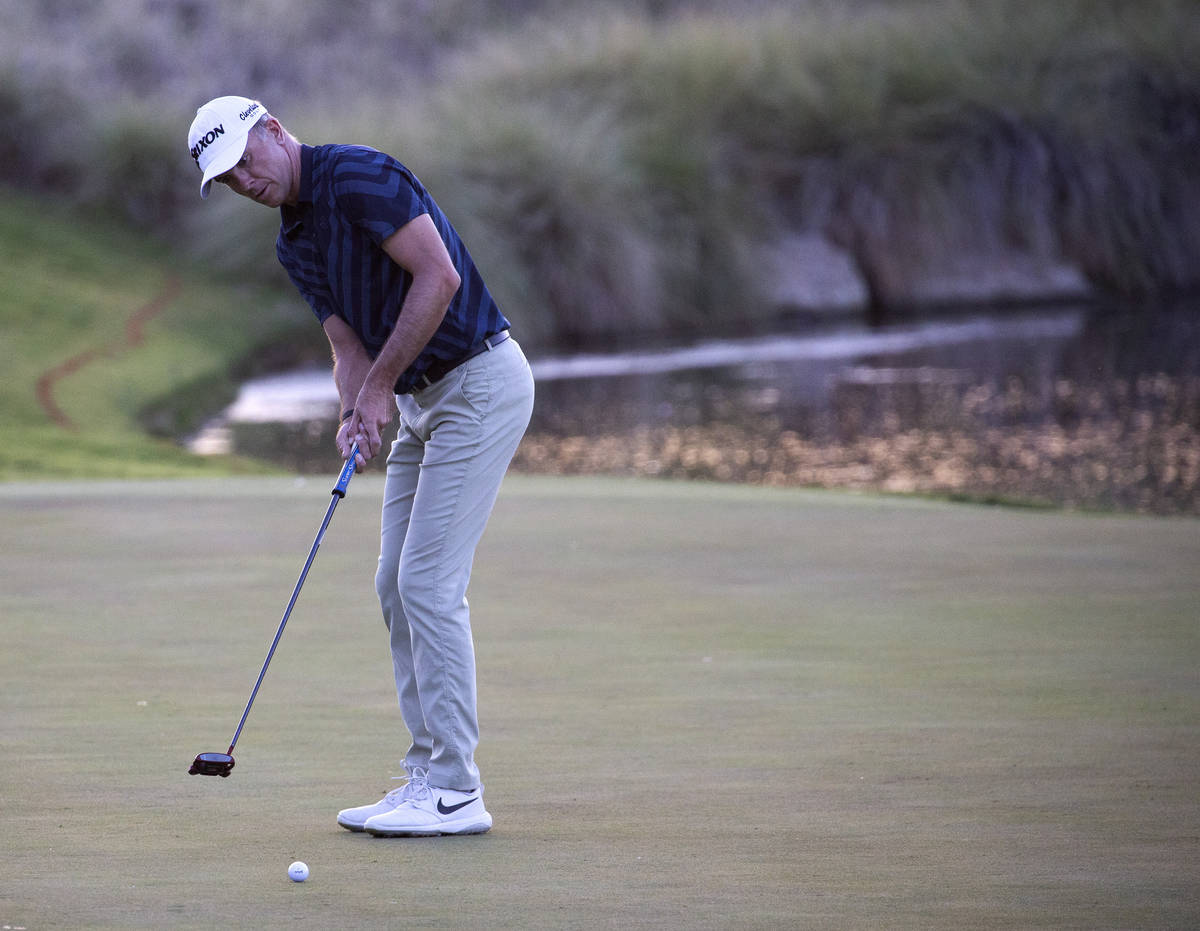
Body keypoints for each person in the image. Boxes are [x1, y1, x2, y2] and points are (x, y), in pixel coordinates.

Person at [187, 95, 534, 836]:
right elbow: (347, 346)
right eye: (230, 178)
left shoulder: (359, 176)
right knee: (392, 582)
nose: (247, 180)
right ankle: (426, 772)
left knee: (427, 581)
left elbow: (437, 279)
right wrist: (355, 409)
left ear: (274, 132)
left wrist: (380, 388)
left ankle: (457, 789)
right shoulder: (293, 242)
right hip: (419, 401)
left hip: (479, 382)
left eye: (248, 160)